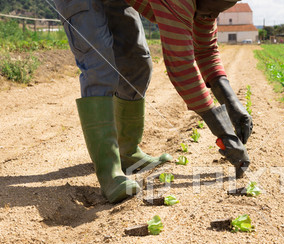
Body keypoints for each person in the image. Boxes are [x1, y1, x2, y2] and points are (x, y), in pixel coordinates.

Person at [54, 0, 252, 203]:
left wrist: (234, 106)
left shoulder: (205, 8)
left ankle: (127, 152)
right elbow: (181, 66)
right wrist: (224, 131)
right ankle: (109, 172)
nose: (211, 16)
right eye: (211, 9)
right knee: (99, 66)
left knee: (137, 63)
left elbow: (205, 51)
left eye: (218, 11)